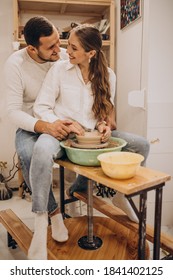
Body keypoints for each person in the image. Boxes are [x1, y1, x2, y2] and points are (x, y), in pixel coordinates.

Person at [34, 24, 150, 226]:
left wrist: (104, 125)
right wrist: (63, 124)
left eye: (73, 48)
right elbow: (41, 107)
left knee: (142, 145)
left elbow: (104, 114)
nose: (66, 51)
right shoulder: (59, 70)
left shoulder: (108, 75)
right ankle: (42, 214)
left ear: (91, 53)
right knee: (41, 150)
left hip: (91, 136)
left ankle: (122, 196)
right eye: (68, 45)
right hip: (62, 133)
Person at [4, 16, 85, 260]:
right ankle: (53, 214)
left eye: (58, 42)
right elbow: (11, 111)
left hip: (63, 122)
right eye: (50, 47)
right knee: (30, 154)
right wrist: (43, 126)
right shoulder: (15, 64)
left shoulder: (62, 56)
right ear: (31, 48)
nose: (58, 50)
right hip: (33, 126)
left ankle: (78, 195)